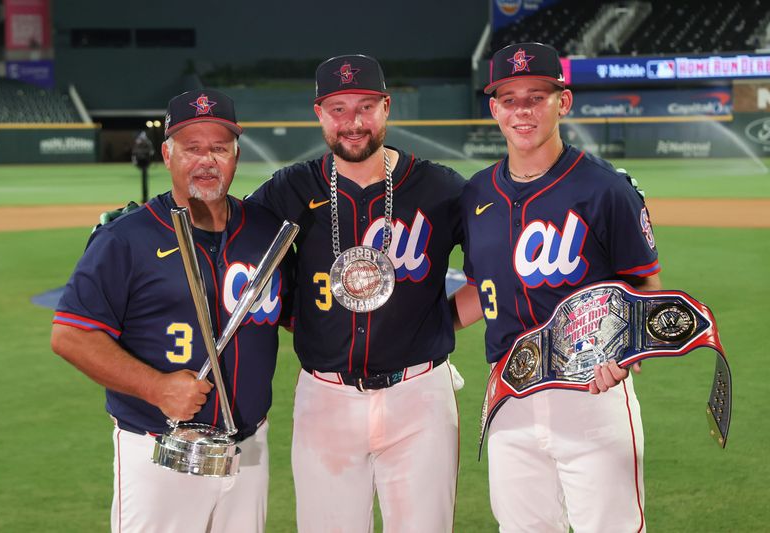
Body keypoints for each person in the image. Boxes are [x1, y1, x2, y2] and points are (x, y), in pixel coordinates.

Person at [51, 89, 291, 533]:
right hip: (159, 452)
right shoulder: (126, 238)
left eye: (219, 148)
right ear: (167, 153)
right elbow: (70, 335)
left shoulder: (264, 231)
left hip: (249, 451)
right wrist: (156, 387)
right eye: (192, 148)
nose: (206, 160)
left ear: (237, 154)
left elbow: (295, 316)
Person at [246, 54, 465, 532]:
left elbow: (497, 276)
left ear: (386, 107)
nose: (353, 122)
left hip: (419, 395)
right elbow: (230, 255)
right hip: (326, 397)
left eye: (365, 106)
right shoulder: (289, 189)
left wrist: (439, 321)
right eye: (338, 108)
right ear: (318, 113)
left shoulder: (440, 188)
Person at [452, 42, 662, 532]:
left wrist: (622, 354)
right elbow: (484, 289)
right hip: (509, 396)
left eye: (536, 96)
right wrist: (422, 331)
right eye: (509, 98)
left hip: (589, 394)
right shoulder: (477, 193)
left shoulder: (606, 189)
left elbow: (646, 290)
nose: (522, 110)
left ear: (562, 102)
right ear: (494, 108)